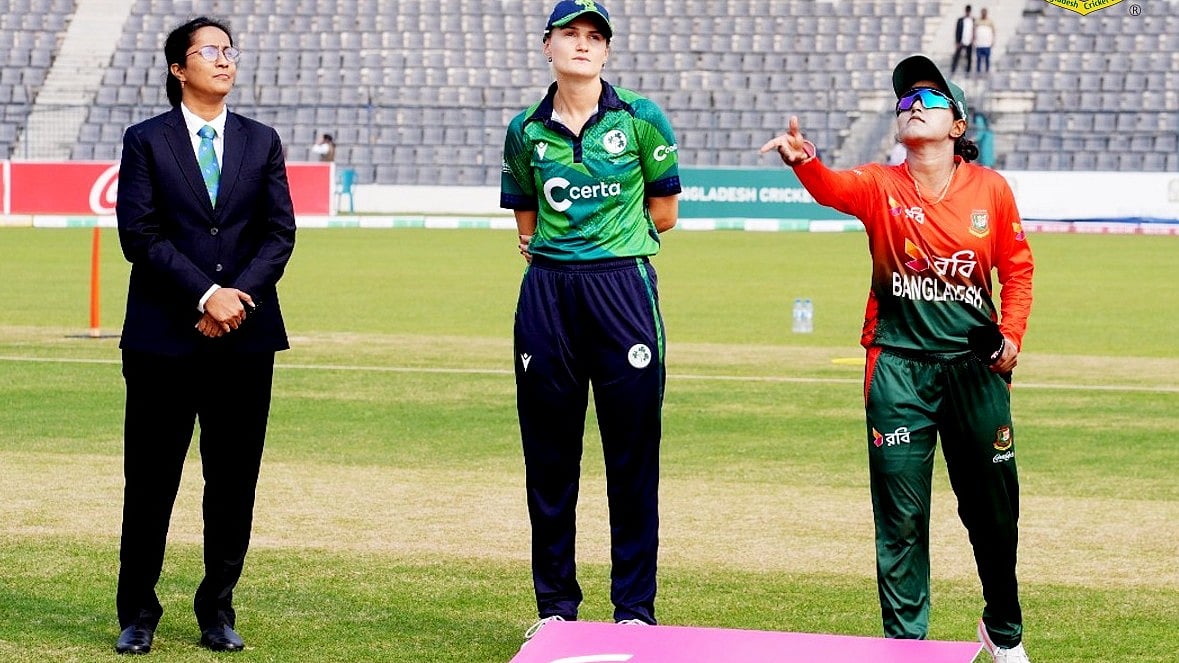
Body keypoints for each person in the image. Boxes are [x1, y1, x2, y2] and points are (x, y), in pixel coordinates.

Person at [760, 54, 1034, 663]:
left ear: (957, 125)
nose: (914, 105)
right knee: (902, 520)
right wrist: (807, 163)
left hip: (975, 368)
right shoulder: (882, 185)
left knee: (992, 513)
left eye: (930, 99)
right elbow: (835, 188)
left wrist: (1011, 337)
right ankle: (907, 651)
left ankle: (1004, 631)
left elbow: (1016, 268)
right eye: (906, 100)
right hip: (898, 370)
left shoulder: (991, 189)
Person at [113, 16, 296, 655]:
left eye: (228, 50)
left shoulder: (261, 140)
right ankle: (137, 612)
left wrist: (234, 298)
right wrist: (204, 293)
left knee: (233, 482)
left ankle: (216, 610)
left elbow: (280, 233)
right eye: (208, 51)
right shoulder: (145, 141)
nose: (223, 59)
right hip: (165, 337)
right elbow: (139, 235)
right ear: (177, 68)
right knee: (152, 479)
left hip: (245, 338)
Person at [500, 0, 681, 640]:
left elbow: (664, 212)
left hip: (621, 287)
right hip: (547, 293)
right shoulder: (525, 129)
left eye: (593, 37)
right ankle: (555, 612)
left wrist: (604, 244)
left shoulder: (640, 118)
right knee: (549, 459)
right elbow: (525, 218)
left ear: (606, 51)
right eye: (570, 34)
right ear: (547, 45)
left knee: (631, 457)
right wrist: (560, 251)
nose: (582, 45)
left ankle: (633, 612)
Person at [951, 4, 974, 75]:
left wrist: (973, 40)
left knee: (969, 57)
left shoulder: (973, 20)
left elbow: (974, 31)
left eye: (968, 11)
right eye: (967, 11)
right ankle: (953, 70)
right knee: (956, 56)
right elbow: (957, 31)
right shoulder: (960, 20)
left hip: (969, 41)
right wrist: (957, 41)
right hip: (961, 41)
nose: (968, 12)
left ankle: (968, 71)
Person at [974, 8, 995, 74]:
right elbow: (974, 31)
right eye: (982, 12)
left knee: (987, 58)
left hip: (987, 43)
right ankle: (978, 71)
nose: (983, 14)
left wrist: (992, 41)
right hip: (979, 43)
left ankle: (987, 71)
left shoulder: (990, 21)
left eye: (984, 13)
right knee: (979, 58)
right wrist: (974, 39)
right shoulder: (977, 21)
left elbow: (993, 32)